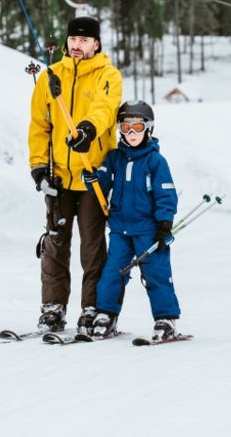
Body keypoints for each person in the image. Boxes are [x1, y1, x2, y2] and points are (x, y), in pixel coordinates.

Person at [27, 16, 122, 332]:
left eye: (84, 40)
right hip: (59, 178)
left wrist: (87, 130)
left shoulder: (108, 76)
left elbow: (105, 110)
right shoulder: (50, 77)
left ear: (96, 43)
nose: (77, 45)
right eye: (73, 40)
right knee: (55, 244)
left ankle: (92, 308)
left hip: (93, 176)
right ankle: (52, 307)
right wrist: (39, 166)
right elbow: (40, 125)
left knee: (92, 246)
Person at [83, 100, 181, 341]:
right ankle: (107, 314)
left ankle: (165, 318)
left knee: (155, 272)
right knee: (112, 274)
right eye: (125, 128)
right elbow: (102, 183)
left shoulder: (156, 161)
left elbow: (166, 193)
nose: (131, 133)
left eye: (137, 127)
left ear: (148, 129)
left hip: (149, 230)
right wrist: (92, 178)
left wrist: (164, 223)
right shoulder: (115, 158)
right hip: (119, 229)